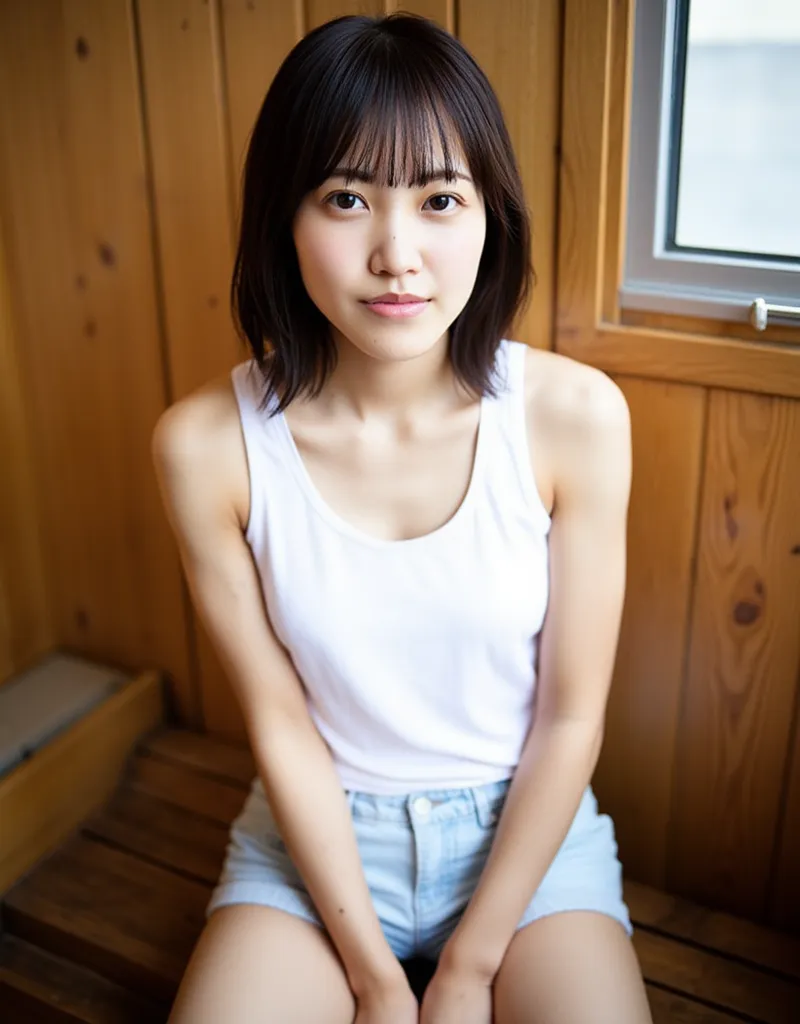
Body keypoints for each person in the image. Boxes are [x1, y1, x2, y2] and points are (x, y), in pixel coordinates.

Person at [152, 12, 653, 1024]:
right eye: (345, 197)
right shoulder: (205, 446)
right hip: (314, 849)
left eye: (438, 198)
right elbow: (281, 723)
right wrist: (379, 983)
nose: (396, 253)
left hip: (526, 839)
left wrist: (466, 968)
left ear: (487, 215)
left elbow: (568, 718)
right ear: (283, 220)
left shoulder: (572, 418)